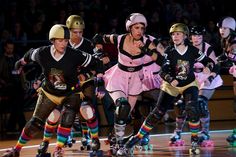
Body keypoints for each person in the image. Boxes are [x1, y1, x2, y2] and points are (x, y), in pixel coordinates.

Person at [1, 24, 104, 157]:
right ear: (53, 41)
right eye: (60, 40)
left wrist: (98, 82)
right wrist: (20, 63)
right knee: (35, 123)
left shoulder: (75, 54)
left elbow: (98, 63)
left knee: (67, 118)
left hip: (71, 93)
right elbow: (29, 54)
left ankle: (59, 148)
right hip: (50, 92)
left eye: (66, 41)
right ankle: (16, 149)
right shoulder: (42, 53)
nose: (63, 44)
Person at [123, 23, 218, 156]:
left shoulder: (193, 50)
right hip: (170, 85)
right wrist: (169, 78)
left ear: (185, 36)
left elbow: (210, 62)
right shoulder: (169, 51)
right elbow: (162, 71)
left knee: (192, 108)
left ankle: (195, 140)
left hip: (189, 84)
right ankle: (137, 138)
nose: (175, 36)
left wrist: (208, 67)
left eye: (178, 33)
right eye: (173, 34)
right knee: (158, 112)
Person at [92, 13, 164, 156]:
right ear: (129, 28)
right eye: (136, 27)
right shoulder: (120, 38)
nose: (140, 31)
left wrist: (146, 51)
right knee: (122, 106)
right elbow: (97, 38)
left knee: (125, 115)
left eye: (142, 28)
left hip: (136, 79)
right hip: (119, 76)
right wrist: (99, 53)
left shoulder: (147, 42)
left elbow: (161, 60)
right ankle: (119, 145)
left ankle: (114, 137)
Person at [37, 15, 97, 152]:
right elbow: (50, 66)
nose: (77, 35)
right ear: (66, 31)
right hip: (65, 80)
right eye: (74, 32)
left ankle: (87, 136)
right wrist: (41, 79)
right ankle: (66, 134)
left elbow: (97, 64)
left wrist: (88, 75)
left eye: (80, 32)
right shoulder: (63, 42)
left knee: (85, 107)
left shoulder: (88, 44)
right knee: (57, 111)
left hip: (84, 80)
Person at [169, 25, 223, 146]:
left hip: (206, 78)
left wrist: (210, 77)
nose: (196, 38)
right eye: (194, 36)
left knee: (200, 104)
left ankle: (205, 133)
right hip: (191, 78)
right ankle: (177, 133)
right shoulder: (185, 47)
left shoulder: (207, 48)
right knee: (180, 105)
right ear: (190, 36)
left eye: (199, 36)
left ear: (203, 37)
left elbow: (215, 65)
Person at [216, 16, 236, 146]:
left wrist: (215, 63)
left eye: (224, 28)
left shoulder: (234, 42)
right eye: (220, 28)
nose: (222, 30)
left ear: (231, 29)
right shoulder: (226, 41)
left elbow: (228, 61)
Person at [0, 39, 26, 133]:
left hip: (18, 86)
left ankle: (11, 127)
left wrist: (24, 84)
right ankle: (21, 126)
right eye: (9, 48)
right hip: (7, 87)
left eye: (12, 48)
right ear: (5, 48)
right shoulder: (2, 59)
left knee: (17, 105)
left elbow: (21, 72)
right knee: (17, 105)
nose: (10, 50)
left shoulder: (16, 57)